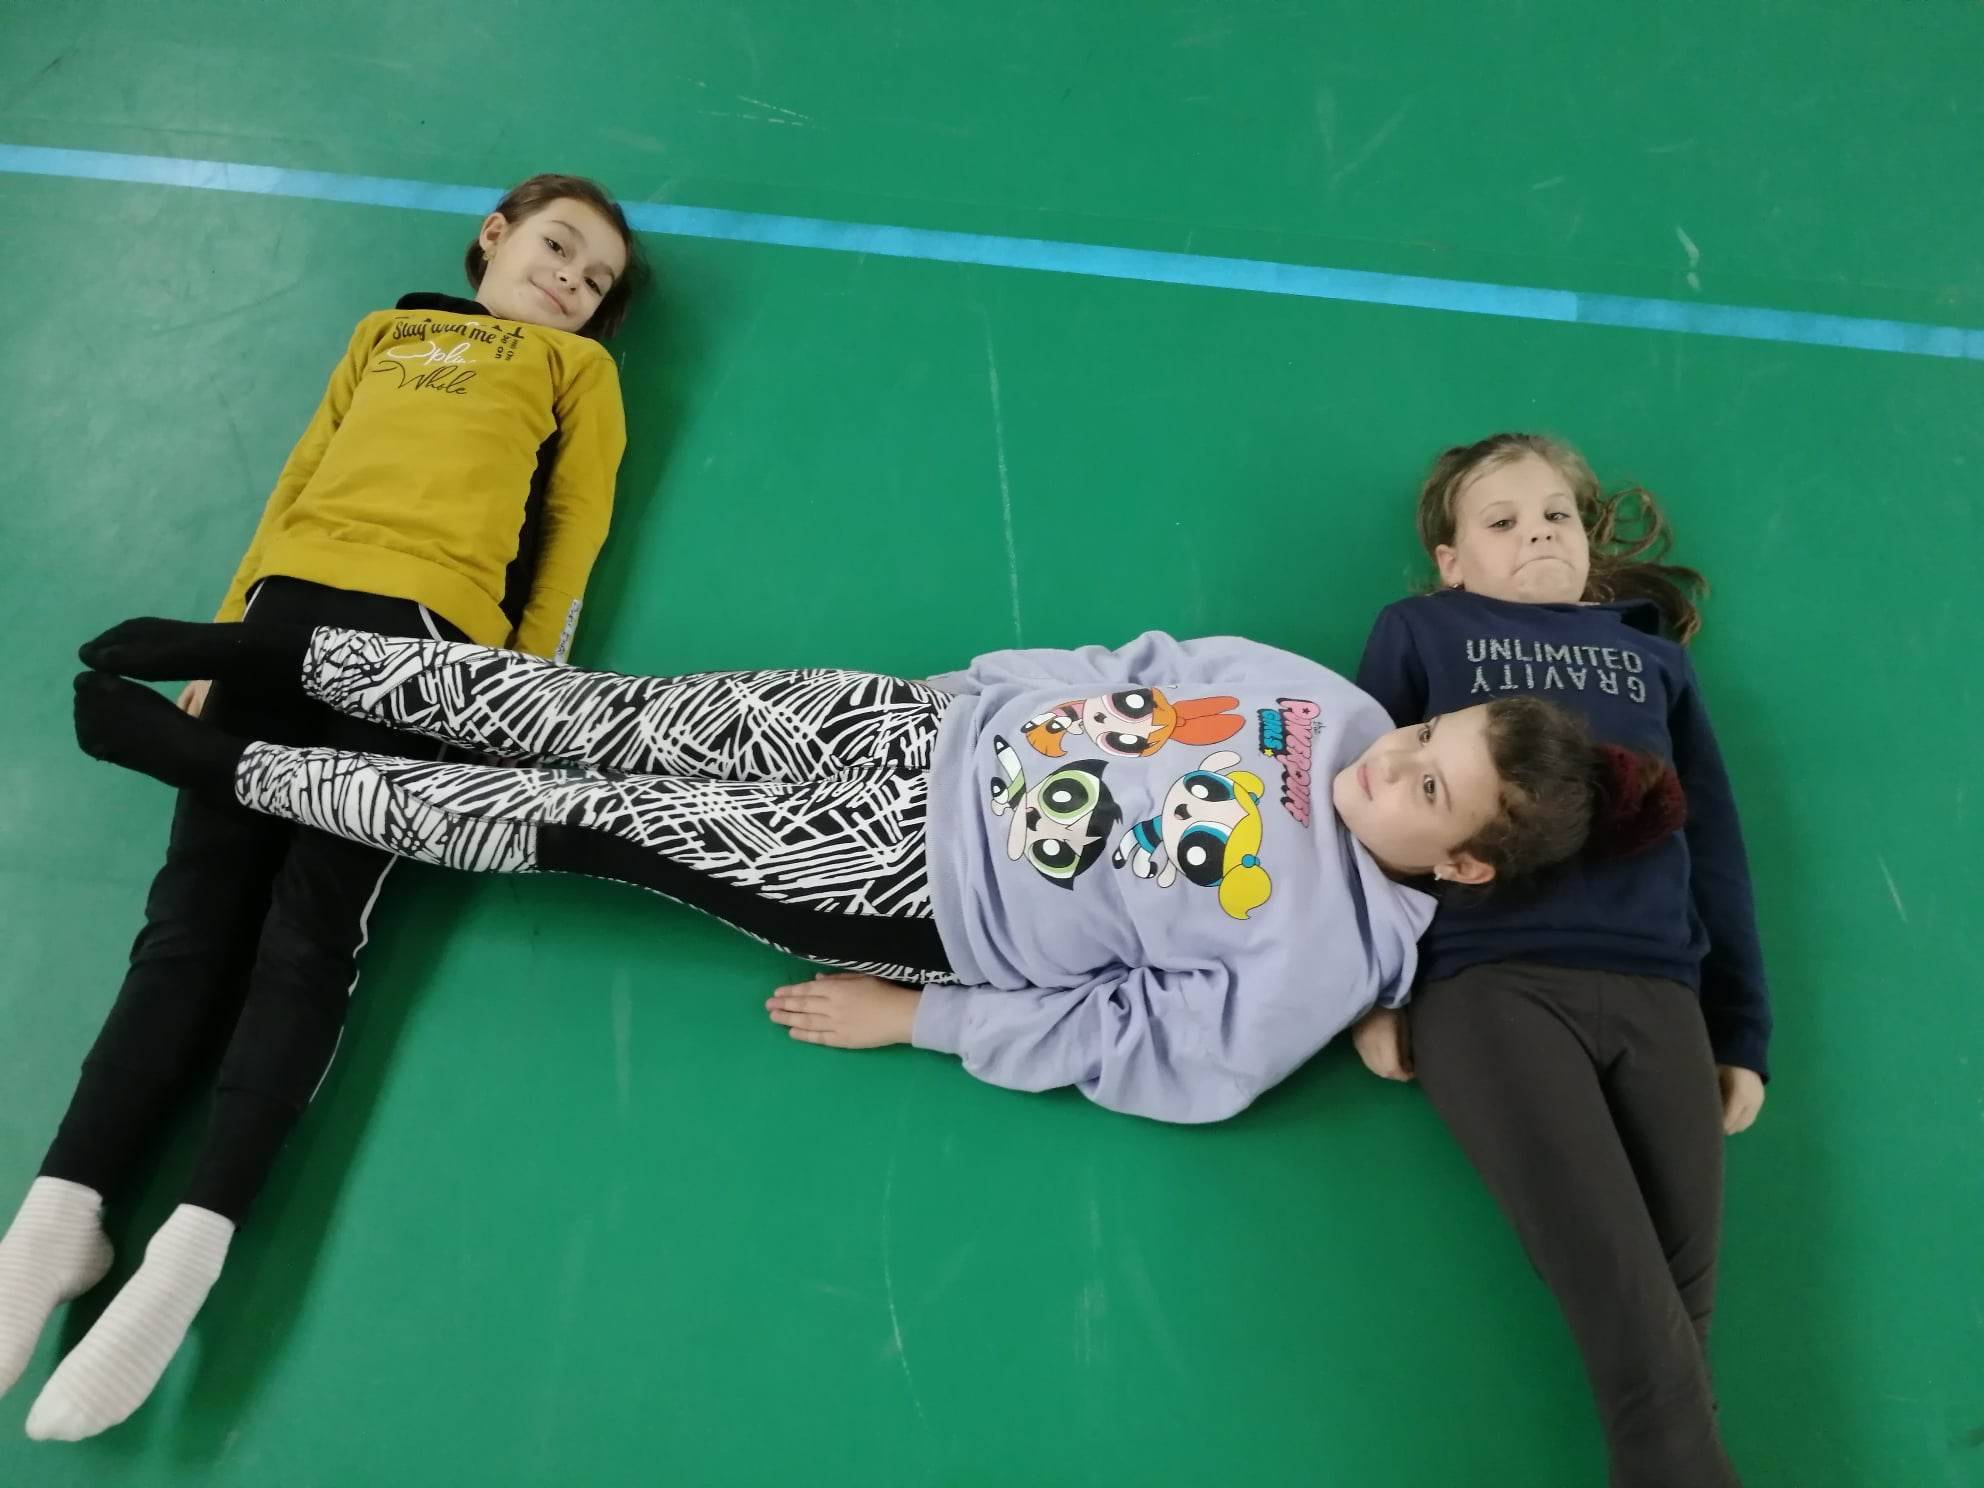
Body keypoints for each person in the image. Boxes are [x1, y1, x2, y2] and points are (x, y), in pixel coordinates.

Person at [73, 618, 1677, 1134]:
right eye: (1430, 734)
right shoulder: (1331, 708)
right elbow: (1143, 660)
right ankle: (272, 655)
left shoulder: (1327, 960)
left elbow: (1154, 1055)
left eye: (1427, 791)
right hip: (907, 730)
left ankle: (220, 765)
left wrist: (927, 1018)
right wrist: (979, 691)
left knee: (579, 815)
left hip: (908, 884)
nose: (1391, 763)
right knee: (610, 714)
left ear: (1463, 861)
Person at [0, 174, 647, 1441]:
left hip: (423, 649)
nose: (573, 280)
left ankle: (192, 1247)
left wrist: (516, 698)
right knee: (186, 924)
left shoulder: (578, 374)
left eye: (597, 281)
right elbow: (295, 482)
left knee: (308, 935)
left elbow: (572, 534)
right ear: (495, 235)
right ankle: (59, 1216)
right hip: (274, 622)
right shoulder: (383, 333)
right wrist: (220, 636)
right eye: (559, 246)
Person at [1349, 432, 1769, 1488]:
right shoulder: (1422, 630)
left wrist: (1740, 1028)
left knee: (1676, 1330)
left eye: (1556, 515)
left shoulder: (1653, 659)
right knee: (1627, 1308)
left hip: (1660, 989)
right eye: (1502, 521)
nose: (1537, 533)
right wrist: (1368, 988)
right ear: (1450, 561)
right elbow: (1361, 805)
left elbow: (1713, 840)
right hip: (1493, 983)